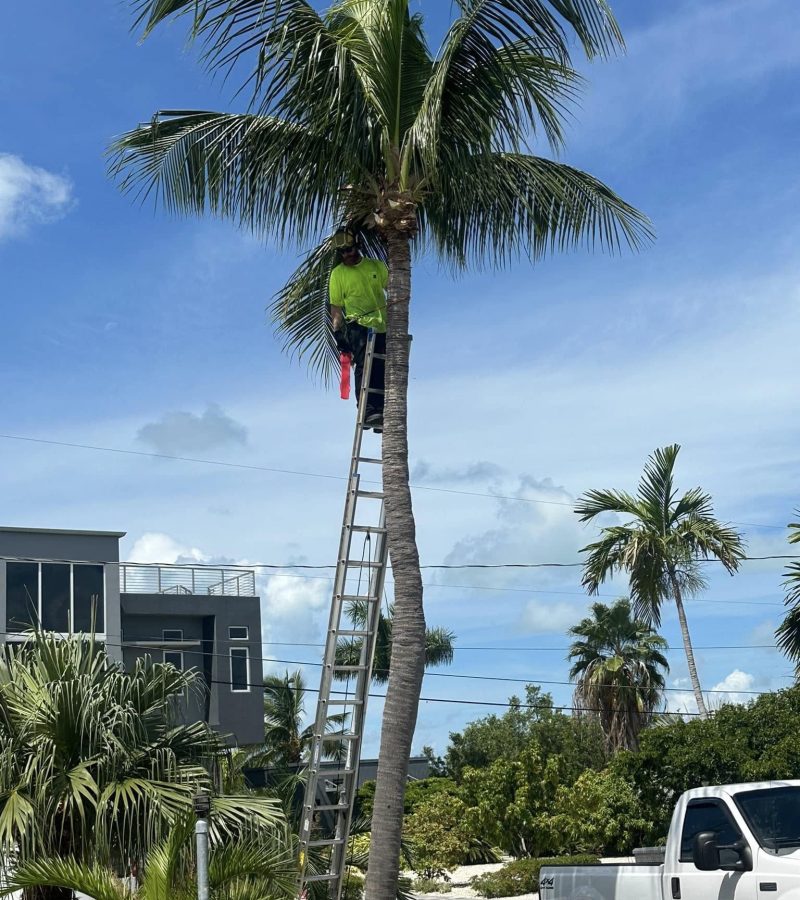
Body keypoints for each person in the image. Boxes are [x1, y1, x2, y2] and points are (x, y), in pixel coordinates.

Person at [329, 230, 388, 429]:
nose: (347, 255)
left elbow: (395, 286)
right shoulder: (338, 274)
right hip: (358, 325)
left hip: (382, 324)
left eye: (350, 249)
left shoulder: (375, 266)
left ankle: (380, 411)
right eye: (343, 252)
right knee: (364, 366)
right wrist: (338, 334)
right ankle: (366, 409)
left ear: (358, 246)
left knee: (382, 368)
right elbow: (336, 306)